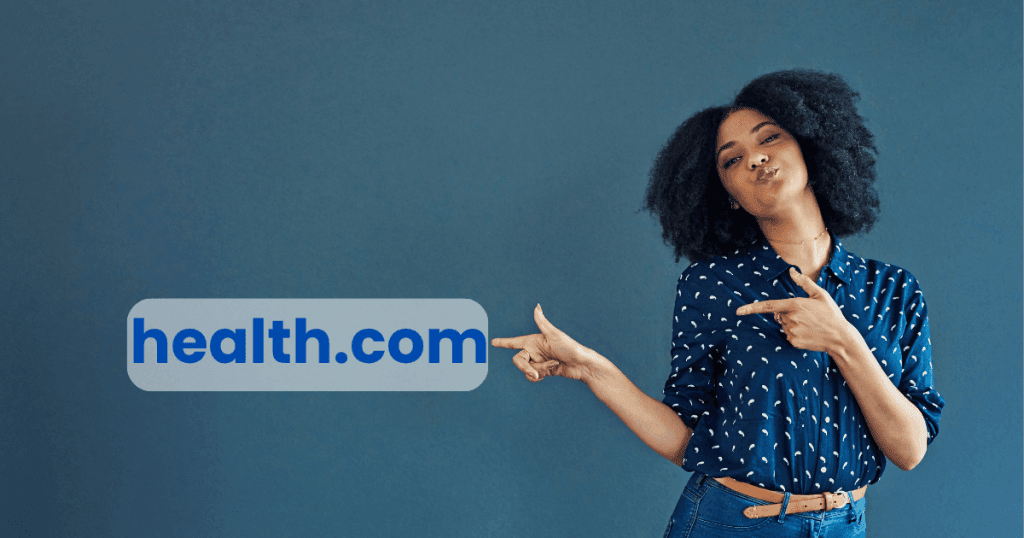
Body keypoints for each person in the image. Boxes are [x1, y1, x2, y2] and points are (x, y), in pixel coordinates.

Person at [491, 69, 944, 537]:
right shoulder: (711, 286)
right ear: (728, 196)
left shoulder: (892, 290)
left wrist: (843, 340)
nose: (756, 159)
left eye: (771, 138)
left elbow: (909, 450)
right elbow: (685, 438)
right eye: (732, 161)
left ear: (812, 147)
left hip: (846, 525)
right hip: (730, 523)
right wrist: (589, 368)